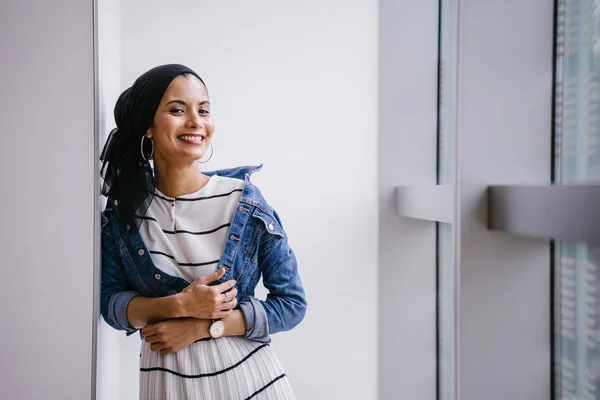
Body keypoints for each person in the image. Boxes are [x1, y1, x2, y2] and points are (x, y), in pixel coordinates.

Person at [100, 64, 307, 400]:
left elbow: (292, 304)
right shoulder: (123, 217)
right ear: (148, 126)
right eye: (177, 110)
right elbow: (111, 304)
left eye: (204, 110)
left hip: (250, 382)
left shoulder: (244, 201)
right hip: (166, 387)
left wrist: (202, 328)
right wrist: (178, 305)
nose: (196, 122)